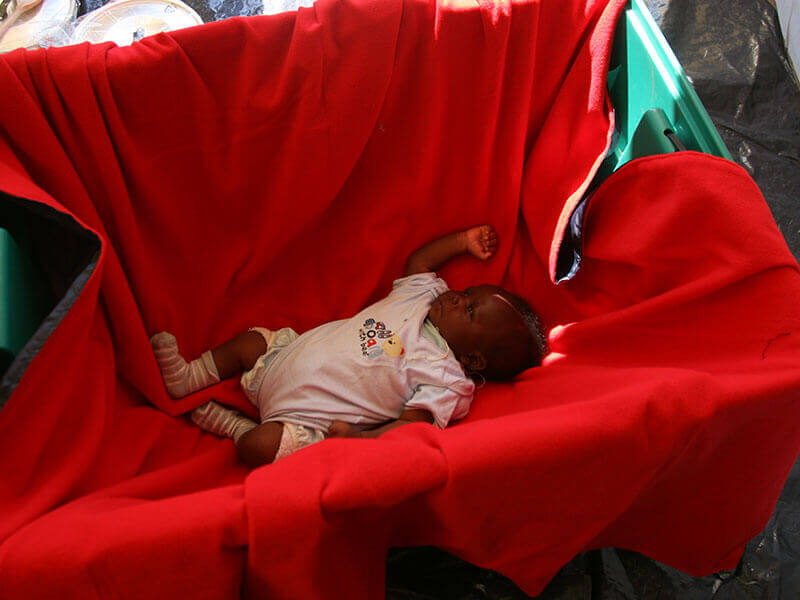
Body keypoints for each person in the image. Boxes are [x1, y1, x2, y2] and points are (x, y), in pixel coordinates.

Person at [151, 225, 547, 467]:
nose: (459, 297)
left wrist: (363, 441)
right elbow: (419, 262)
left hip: (307, 419)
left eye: (471, 310)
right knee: (250, 341)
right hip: (282, 360)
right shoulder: (424, 297)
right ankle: (189, 377)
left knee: (257, 448)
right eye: (467, 291)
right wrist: (462, 241)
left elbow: (411, 428)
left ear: (474, 356)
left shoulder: (445, 378)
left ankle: (237, 428)